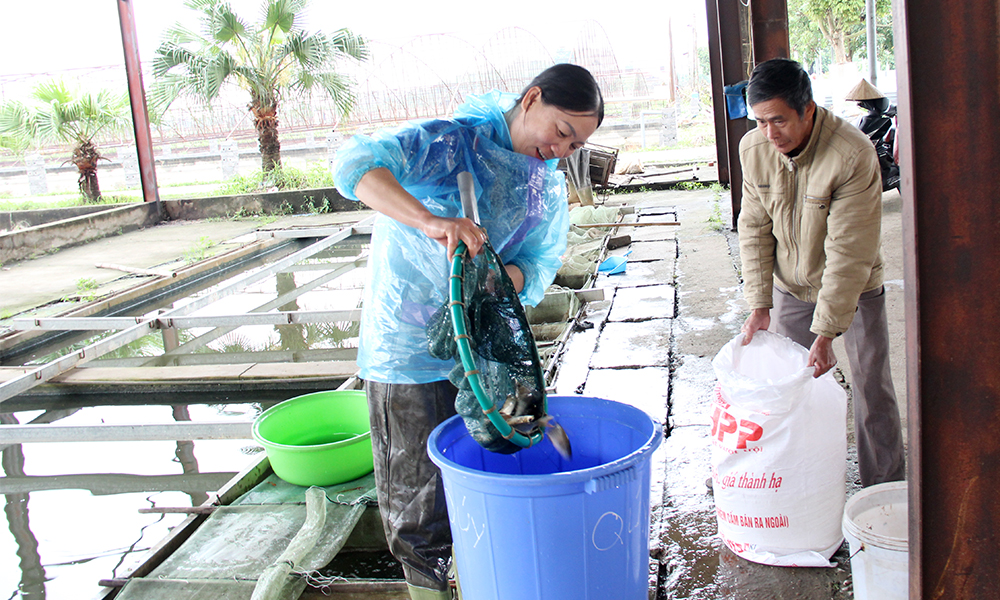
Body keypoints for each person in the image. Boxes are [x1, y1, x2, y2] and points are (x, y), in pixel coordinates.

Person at [333, 64, 603, 600]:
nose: (563, 150)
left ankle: (514, 571)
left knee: (518, 445)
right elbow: (356, 165)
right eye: (563, 131)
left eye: (576, 145)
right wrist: (433, 223)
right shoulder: (450, 144)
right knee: (417, 494)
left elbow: (541, 261)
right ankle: (430, 587)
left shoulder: (543, 187)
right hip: (408, 350)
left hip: (492, 349)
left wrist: (497, 281)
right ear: (532, 99)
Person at [736, 58, 905, 488]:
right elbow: (754, 227)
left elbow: (849, 251)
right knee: (793, 388)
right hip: (790, 287)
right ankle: (799, 484)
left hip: (856, 287)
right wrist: (759, 304)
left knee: (871, 387)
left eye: (779, 120)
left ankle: (884, 490)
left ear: (807, 110)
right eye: (759, 121)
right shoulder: (754, 149)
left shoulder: (852, 154)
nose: (770, 134)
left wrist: (827, 332)